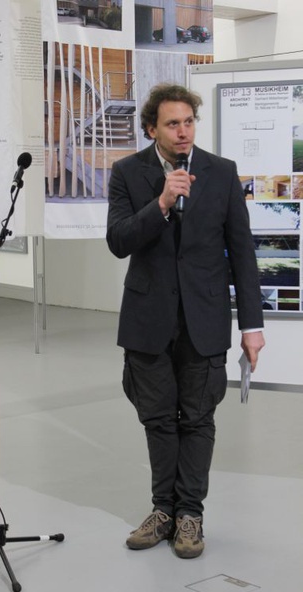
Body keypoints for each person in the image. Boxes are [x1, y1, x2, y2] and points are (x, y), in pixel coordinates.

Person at [106, 83, 265, 559]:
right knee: (158, 419)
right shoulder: (127, 172)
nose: (183, 132)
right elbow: (118, 241)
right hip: (148, 319)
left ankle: (190, 514)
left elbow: (242, 252)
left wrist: (252, 326)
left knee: (197, 419)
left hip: (205, 318)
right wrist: (160, 203)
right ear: (151, 129)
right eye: (172, 123)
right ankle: (163, 510)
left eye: (189, 122)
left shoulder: (222, 172)